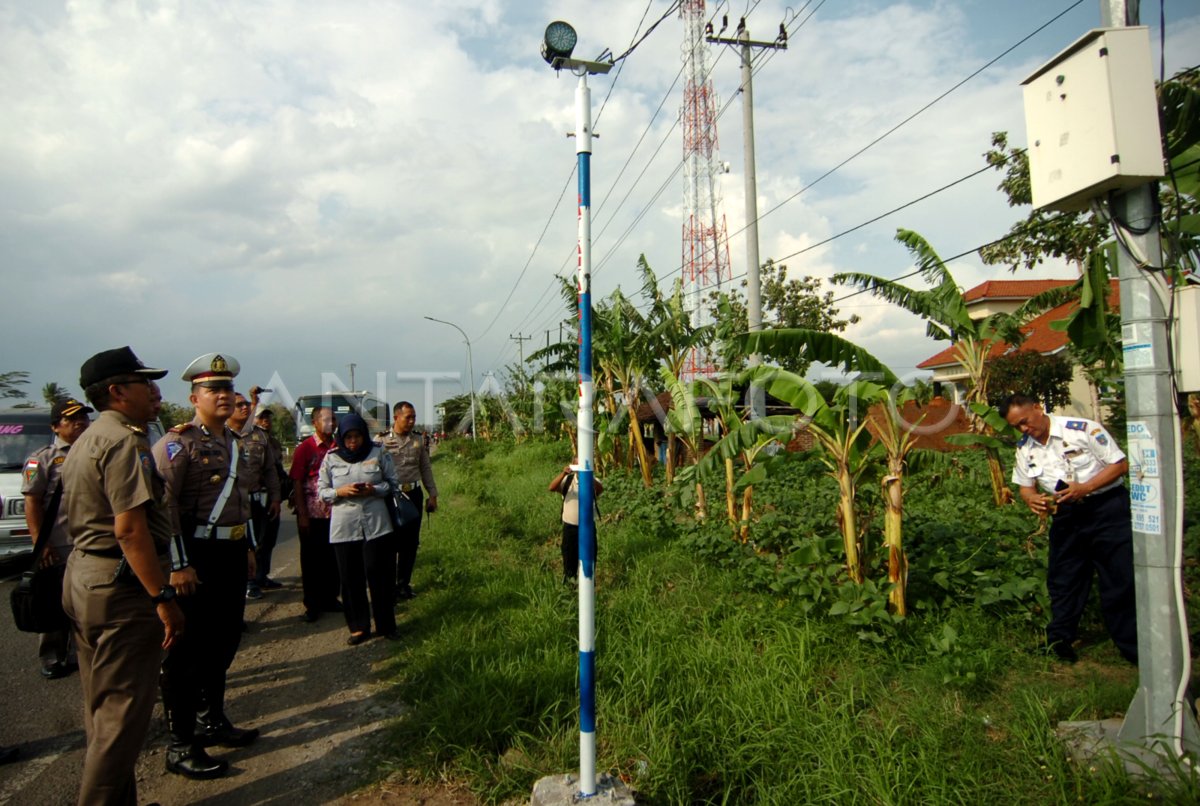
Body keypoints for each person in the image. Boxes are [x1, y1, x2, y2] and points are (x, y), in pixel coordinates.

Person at [62, 346, 190, 805]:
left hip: (86, 577)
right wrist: (161, 596)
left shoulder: (90, 437)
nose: (153, 390)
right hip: (120, 586)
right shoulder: (124, 441)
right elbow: (131, 530)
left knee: (103, 710)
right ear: (117, 392)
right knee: (122, 720)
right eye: (144, 383)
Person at [153, 353, 260, 780]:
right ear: (194, 397)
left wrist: (248, 547)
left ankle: (212, 719)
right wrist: (178, 565)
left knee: (224, 641)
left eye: (228, 388)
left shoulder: (233, 442)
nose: (223, 395)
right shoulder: (178, 444)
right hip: (194, 559)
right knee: (187, 654)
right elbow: (166, 509)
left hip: (230, 553)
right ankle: (181, 743)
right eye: (213, 390)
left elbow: (241, 503)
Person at [1000, 393, 1138, 664]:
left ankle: (1132, 647)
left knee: (1118, 578)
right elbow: (1025, 486)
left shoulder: (1083, 430)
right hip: (1067, 514)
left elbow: (1120, 465)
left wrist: (1085, 488)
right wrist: (1032, 499)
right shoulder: (1025, 447)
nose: (1025, 429)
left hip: (1105, 509)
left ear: (1038, 408)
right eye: (1018, 426)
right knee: (1064, 579)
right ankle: (1060, 642)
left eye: (1025, 421)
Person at [22, 397, 92, 680]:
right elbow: (32, 502)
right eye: (71, 419)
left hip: (88, 544)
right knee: (53, 603)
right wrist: (41, 543)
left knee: (85, 604)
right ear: (55, 427)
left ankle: (81, 654)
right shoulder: (43, 458)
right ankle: (52, 656)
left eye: (83, 418)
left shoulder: (94, 453)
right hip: (57, 544)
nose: (80, 423)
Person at [318, 413, 401, 644]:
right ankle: (358, 627)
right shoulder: (331, 458)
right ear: (341, 438)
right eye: (348, 437)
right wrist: (340, 492)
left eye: (357, 436)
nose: (353, 442)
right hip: (344, 528)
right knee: (350, 578)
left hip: (377, 525)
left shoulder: (378, 452)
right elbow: (321, 491)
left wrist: (374, 490)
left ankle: (386, 625)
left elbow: (392, 484)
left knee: (381, 575)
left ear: (364, 435)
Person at [378, 401, 437, 600]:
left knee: (410, 542)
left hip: (413, 494)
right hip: (390, 497)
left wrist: (433, 495)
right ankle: (388, 586)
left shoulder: (418, 440)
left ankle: (403, 584)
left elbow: (425, 468)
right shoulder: (381, 441)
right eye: (407, 417)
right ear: (396, 418)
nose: (411, 421)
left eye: (414, 417)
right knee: (389, 541)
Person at [227, 390, 281, 600]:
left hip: (256, 500)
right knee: (242, 545)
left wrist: (276, 498)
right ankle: (248, 583)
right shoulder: (219, 434)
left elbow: (270, 470)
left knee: (262, 541)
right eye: (238, 404)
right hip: (231, 504)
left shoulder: (259, 436)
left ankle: (258, 577)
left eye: (246, 405)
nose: (244, 407)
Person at [291, 404, 342, 621]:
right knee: (312, 561)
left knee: (334, 558)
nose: (331, 423)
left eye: (333, 419)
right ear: (315, 423)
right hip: (312, 515)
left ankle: (331, 598)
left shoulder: (339, 446)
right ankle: (312, 604)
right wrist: (302, 514)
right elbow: (297, 481)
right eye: (326, 420)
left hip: (337, 513)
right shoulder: (306, 448)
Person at [250, 404, 287, 592]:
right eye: (260, 417)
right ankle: (252, 581)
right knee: (257, 541)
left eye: (267, 417)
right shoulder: (247, 440)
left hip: (271, 498)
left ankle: (262, 575)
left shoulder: (272, 442)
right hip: (255, 499)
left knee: (269, 539)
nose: (265, 420)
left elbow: (277, 470)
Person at [548, 459, 602, 584]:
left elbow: (599, 490)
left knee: (590, 556)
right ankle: (569, 583)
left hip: (588, 528)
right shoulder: (568, 481)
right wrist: (564, 473)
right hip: (570, 528)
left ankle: (589, 583)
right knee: (569, 557)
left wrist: (588, 476)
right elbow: (551, 487)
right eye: (577, 464)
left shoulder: (592, 480)